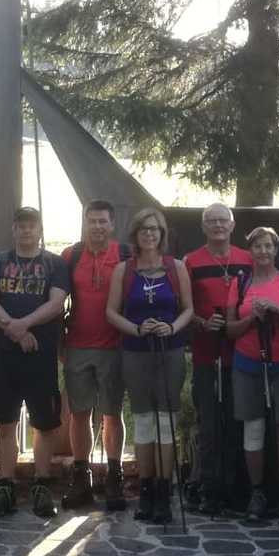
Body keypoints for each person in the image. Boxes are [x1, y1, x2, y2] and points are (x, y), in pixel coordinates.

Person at [0, 207, 70, 518]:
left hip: (42, 355)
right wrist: (15, 330)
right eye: (21, 225)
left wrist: (23, 325)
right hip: (6, 355)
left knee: (44, 423)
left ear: (40, 229)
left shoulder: (55, 264)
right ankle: (5, 486)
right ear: (14, 229)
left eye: (32, 225)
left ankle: (41, 486)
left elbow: (56, 304)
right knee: (5, 422)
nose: (27, 230)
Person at [107, 207, 194, 523]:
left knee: (166, 421)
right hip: (136, 351)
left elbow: (188, 309)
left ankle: (163, 490)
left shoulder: (176, 267)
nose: (149, 234)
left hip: (170, 350)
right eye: (144, 229)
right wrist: (136, 328)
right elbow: (111, 312)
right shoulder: (125, 270)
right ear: (135, 234)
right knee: (144, 420)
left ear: (162, 233)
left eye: (154, 229)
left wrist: (172, 327)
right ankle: (145, 489)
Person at [225, 227, 279, 522]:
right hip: (247, 363)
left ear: (276, 249)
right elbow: (230, 330)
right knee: (253, 428)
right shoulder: (240, 283)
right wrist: (252, 318)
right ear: (250, 251)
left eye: (268, 246)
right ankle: (256, 493)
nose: (263, 251)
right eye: (257, 246)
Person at [59, 200, 130, 512]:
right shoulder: (71, 255)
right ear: (85, 223)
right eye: (92, 221)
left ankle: (115, 476)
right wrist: (58, 343)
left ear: (112, 224)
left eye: (103, 221)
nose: (97, 226)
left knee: (112, 413)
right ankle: (81, 477)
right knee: (79, 413)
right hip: (77, 344)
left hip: (115, 346)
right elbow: (57, 300)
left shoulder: (125, 255)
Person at [184, 202, 252, 516]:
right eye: (211, 220)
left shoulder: (248, 259)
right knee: (209, 425)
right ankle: (208, 488)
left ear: (232, 224)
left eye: (223, 220)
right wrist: (201, 322)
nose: (218, 225)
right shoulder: (191, 261)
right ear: (203, 226)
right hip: (206, 354)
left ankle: (236, 488)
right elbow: (182, 306)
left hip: (242, 356)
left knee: (237, 423)